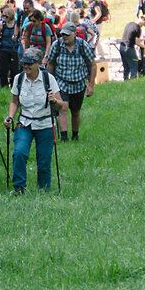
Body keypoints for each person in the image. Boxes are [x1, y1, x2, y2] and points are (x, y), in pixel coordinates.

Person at [8, 48, 67, 194]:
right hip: (25, 123)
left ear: (38, 64)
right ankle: (19, 188)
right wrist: (10, 117)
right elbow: (14, 102)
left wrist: (54, 101)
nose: (26, 66)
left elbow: (62, 105)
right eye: (24, 64)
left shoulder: (48, 79)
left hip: (45, 124)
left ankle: (44, 189)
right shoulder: (19, 78)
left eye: (30, 64)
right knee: (19, 153)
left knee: (44, 160)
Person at [45, 24, 96, 140]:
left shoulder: (83, 45)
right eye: (63, 34)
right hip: (61, 82)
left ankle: (75, 135)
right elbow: (51, 63)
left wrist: (91, 85)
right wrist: (49, 84)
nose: (65, 36)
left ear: (74, 34)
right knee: (63, 107)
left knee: (75, 111)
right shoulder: (57, 45)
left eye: (67, 34)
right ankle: (64, 138)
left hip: (78, 84)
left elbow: (92, 64)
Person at [119, 16, 143, 81]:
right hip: (129, 48)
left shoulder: (129, 24)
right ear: (144, 22)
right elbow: (137, 42)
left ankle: (125, 80)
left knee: (126, 66)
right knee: (134, 65)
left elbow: (130, 36)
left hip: (122, 46)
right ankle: (133, 81)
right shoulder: (137, 28)